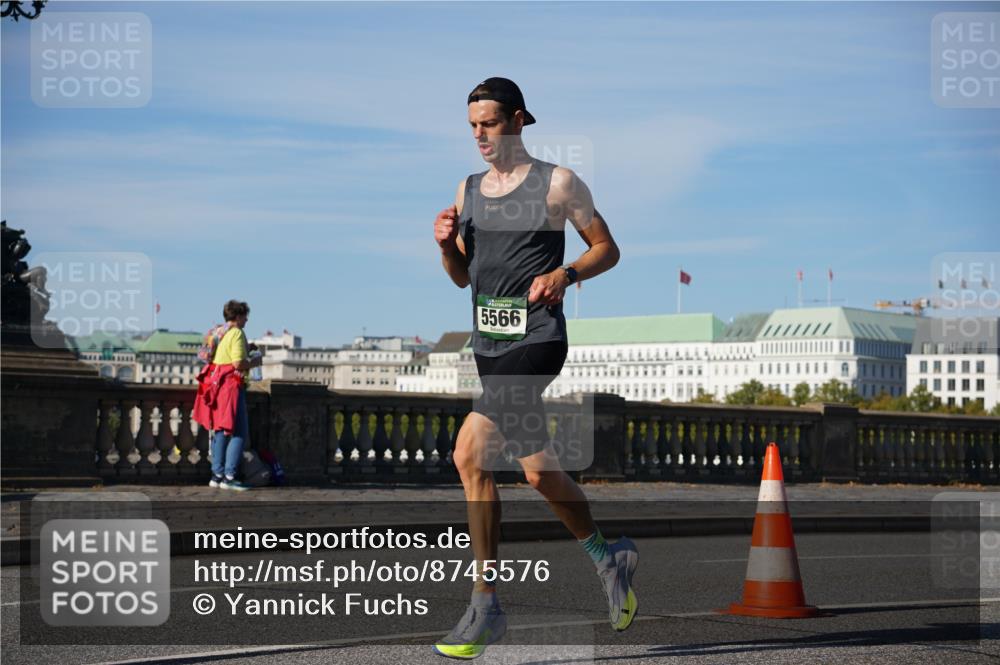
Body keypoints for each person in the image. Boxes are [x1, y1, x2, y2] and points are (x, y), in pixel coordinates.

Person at [431, 77, 636, 660]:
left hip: (538, 339)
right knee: (541, 474)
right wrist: (446, 244)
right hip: (489, 346)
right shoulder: (469, 190)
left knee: (467, 455)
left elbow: (607, 248)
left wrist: (565, 275)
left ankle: (486, 605)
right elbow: (461, 277)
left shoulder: (559, 182)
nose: (480, 135)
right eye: (472, 126)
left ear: (519, 120)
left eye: (490, 123)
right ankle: (608, 555)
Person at [194, 299, 262, 492]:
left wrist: (247, 349)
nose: (247, 320)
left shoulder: (220, 332)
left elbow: (224, 356)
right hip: (230, 386)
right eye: (245, 316)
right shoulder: (237, 333)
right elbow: (238, 363)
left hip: (216, 385)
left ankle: (216, 475)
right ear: (238, 316)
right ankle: (229, 476)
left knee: (221, 431)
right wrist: (256, 362)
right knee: (239, 431)